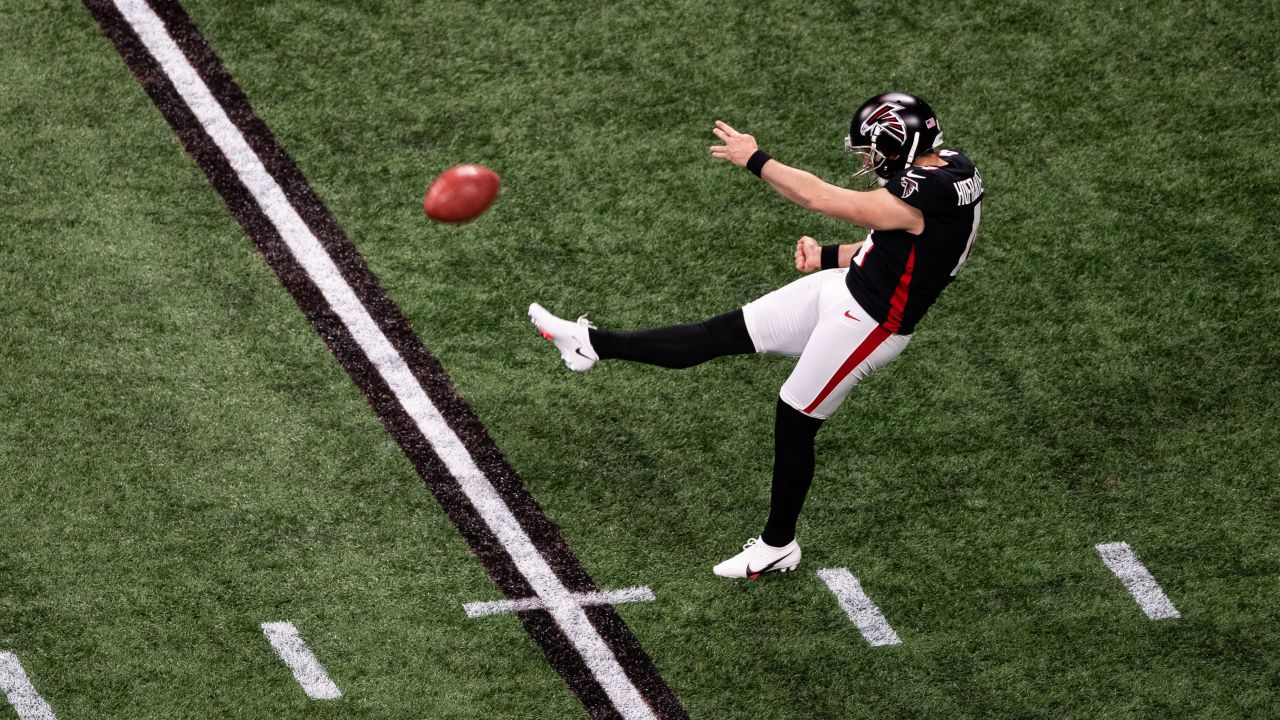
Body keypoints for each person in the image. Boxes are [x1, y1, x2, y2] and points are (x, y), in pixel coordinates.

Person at [528, 92, 984, 578]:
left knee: (795, 417)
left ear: (897, 145)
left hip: (870, 323)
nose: (868, 161)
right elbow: (897, 246)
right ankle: (590, 346)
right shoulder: (948, 167)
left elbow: (823, 198)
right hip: (846, 288)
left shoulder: (927, 193)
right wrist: (829, 257)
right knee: (719, 333)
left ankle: (777, 546)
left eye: (871, 150)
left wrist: (756, 159)